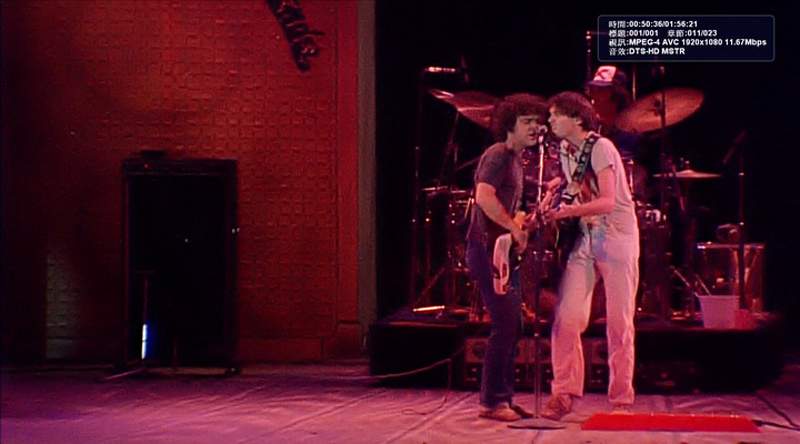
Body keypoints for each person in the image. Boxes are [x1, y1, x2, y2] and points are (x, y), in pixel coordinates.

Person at [541, 91, 640, 420]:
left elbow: (608, 201)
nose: (550, 120)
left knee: (619, 321)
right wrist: (556, 189)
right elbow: (578, 184)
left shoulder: (602, 147)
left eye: (556, 115)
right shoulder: (565, 149)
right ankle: (563, 392)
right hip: (587, 236)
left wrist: (567, 212)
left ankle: (621, 399)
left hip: (617, 237)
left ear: (576, 119)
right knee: (567, 317)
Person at [465, 94, 548, 421]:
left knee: (513, 323)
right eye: (527, 122)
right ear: (509, 125)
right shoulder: (499, 153)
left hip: (500, 249)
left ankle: (503, 397)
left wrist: (523, 221)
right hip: (487, 249)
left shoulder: (516, 160)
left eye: (537, 122)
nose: (535, 128)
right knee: (505, 323)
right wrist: (514, 228)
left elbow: (511, 208)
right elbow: (484, 196)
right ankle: (493, 402)